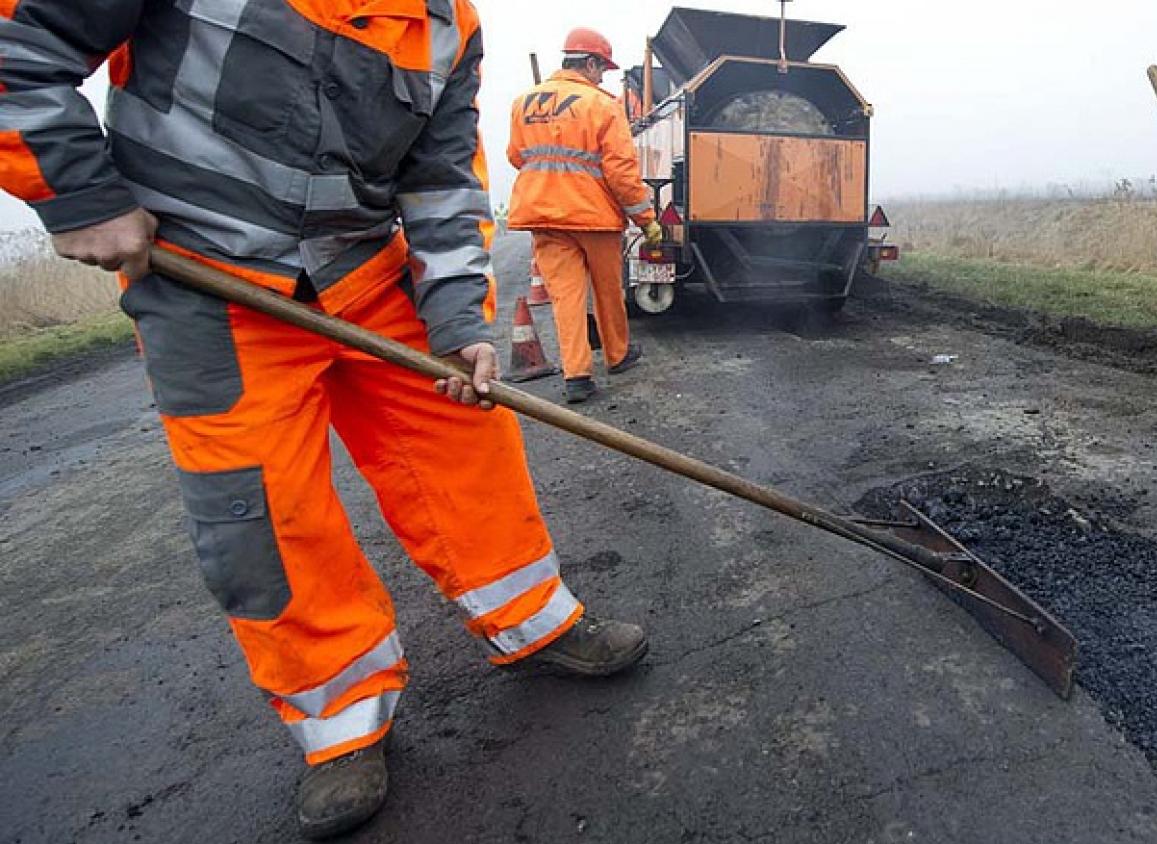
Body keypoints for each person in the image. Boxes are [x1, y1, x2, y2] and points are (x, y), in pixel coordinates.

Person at [0, 1, 647, 838]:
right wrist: (79, 191)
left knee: (465, 437)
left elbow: (443, 175)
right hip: (208, 279)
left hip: (369, 270)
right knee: (264, 513)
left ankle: (535, 622)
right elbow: (20, 43)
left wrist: (456, 319)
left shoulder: (449, 24)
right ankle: (341, 719)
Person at [506, 27, 663, 405]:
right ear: (589, 63)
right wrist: (646, 219)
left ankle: (577, 376)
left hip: (543, 215)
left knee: (566, 299)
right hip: (593, 217)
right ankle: (617, 355)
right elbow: (622, 172)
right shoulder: (602, 105)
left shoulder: (523, 103)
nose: (602, 77)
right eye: (602, 69)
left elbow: (516, 156)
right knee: (608, 292)